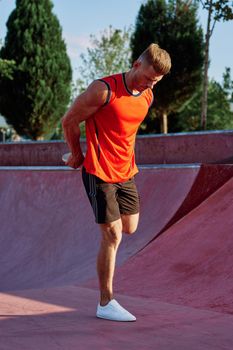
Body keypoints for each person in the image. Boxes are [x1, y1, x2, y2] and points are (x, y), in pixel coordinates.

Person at [62, 43, 171, 322]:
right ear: (136, 64)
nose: (149, 84)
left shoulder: (147, 96)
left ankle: (107, 237)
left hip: (126, 172)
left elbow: (124, 131)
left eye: (155, 82)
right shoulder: (104, 90)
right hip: (98, 169)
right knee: (112, 235)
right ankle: (105, 301)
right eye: (147, 77)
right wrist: (76, 155)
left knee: (129, 227)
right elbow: (69, 121)